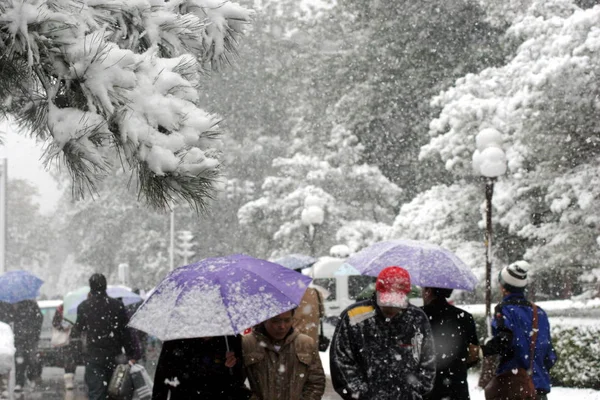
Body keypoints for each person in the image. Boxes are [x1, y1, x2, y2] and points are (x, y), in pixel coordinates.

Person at [330, 266, 435, 400]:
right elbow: (341, 361)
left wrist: (416, 391)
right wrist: (361, 393)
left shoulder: (417, 318)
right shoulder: (354, 316)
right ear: (377, 292)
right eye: (386, 300)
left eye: (397, 301)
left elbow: (428, 360)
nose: (391, 307)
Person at [480, 261, 557, 400]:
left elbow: (503, 342)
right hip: (538, 389)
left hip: (512, 388)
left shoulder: (504, 310)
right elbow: (550, 355)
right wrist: (535, 370)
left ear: (504, 288)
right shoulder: (539, 313)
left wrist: (481, 351)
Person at [70, 273, 136, 400]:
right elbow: (125, 332)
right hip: (114, 356)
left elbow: (78, 330)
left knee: (96, 393)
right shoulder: (117, 305)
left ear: (91, 287)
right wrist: (131, 353)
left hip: (94, 356)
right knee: (115, 391)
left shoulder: (84, 306)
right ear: (105, 286)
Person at [243, 309, 326, 400]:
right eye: (275, 321)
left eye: (287, 320)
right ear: (264, 319)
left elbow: (316, 382)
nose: (282, 326)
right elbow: (236, 384)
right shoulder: (246, 343)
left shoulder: (305, 343)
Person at [421, 287, 479, 400]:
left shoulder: (417, 317)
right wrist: (456, 367)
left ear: (428, 291)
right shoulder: (465, 318)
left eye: (423, 289)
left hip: (426, 390)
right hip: (457, 389)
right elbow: (473, 356)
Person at [152, 335, 250, 399]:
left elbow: (239, 380)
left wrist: (235, 364)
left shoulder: (230, 339)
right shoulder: (175, 340)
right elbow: (162, 378)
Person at [10, 299, 43, 393]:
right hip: (20, 339)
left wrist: (35, 331)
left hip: (30, 338)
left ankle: (31, 378)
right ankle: (20, 382)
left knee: (31, 359)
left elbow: (39, 318)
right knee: (19, 360)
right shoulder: (15, 306)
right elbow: (11, 318)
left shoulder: (32, 305)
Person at [52, 304, 77, 390]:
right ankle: (69, 379)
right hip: (66, 339)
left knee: (74, 358)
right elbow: (55, 322)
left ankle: (70, 377)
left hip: (77, 339)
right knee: (69, 358)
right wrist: (63, 326)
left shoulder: (80, 307)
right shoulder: (60, 309)